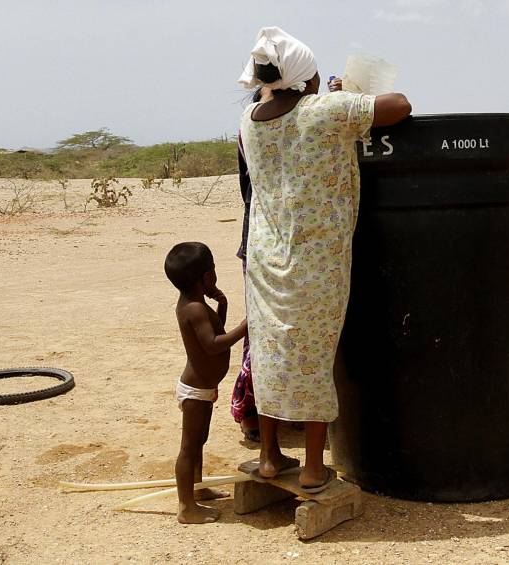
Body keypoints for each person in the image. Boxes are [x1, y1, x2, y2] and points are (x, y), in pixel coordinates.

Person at [237, 27, 412, 492]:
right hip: (316, 262)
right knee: (314, 358)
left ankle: (270, 455)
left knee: (272, 354)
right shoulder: (327, 111)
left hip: (265, 257)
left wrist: (329, 96)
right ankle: (314, 465)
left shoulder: (249, 119)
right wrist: (344, 94)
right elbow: (399, 105)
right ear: (306, 76)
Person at [164, 242, 248, 523]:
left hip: (203, 388)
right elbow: (213, 344)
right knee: (189, 446)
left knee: (200, 439)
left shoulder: (196, 305)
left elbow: (215, 330)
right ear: (207, 277)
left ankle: (197, 490)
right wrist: (245, 327)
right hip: (195, 391)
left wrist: (222, 304)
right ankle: (186, 507)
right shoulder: (195, 309)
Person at [230, 86, 272, 443]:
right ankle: (251, 410)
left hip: (265, 241)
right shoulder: (256, 126)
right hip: (261, 241)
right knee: (260, 334)